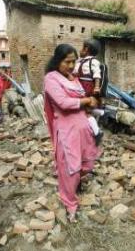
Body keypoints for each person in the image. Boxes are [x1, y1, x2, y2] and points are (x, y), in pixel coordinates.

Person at [44, 44, 101, 223]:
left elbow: (83, 103)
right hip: (67, 130)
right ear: (57, 60)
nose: (71, 66)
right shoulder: (51, 78)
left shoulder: (73, 78)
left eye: (73, 61)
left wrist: (92, 106)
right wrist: (87, 100)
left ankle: (77, 185)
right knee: (70, 167)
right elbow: (63, 102)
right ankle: (70, 204)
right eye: (67, 61)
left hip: (83, 128)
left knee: (87, 162)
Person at [73, 39, 104, 145]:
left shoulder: (94, 62)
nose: (80, 50)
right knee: (83, 109)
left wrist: (96, 87)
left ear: (86, 49)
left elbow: (97, 75)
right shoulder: (79, 62)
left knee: (85, 111)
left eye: (82, 48)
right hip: (79, 87)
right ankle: (100, 113)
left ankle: (97, 132)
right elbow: (74, 72)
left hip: (88, 88)